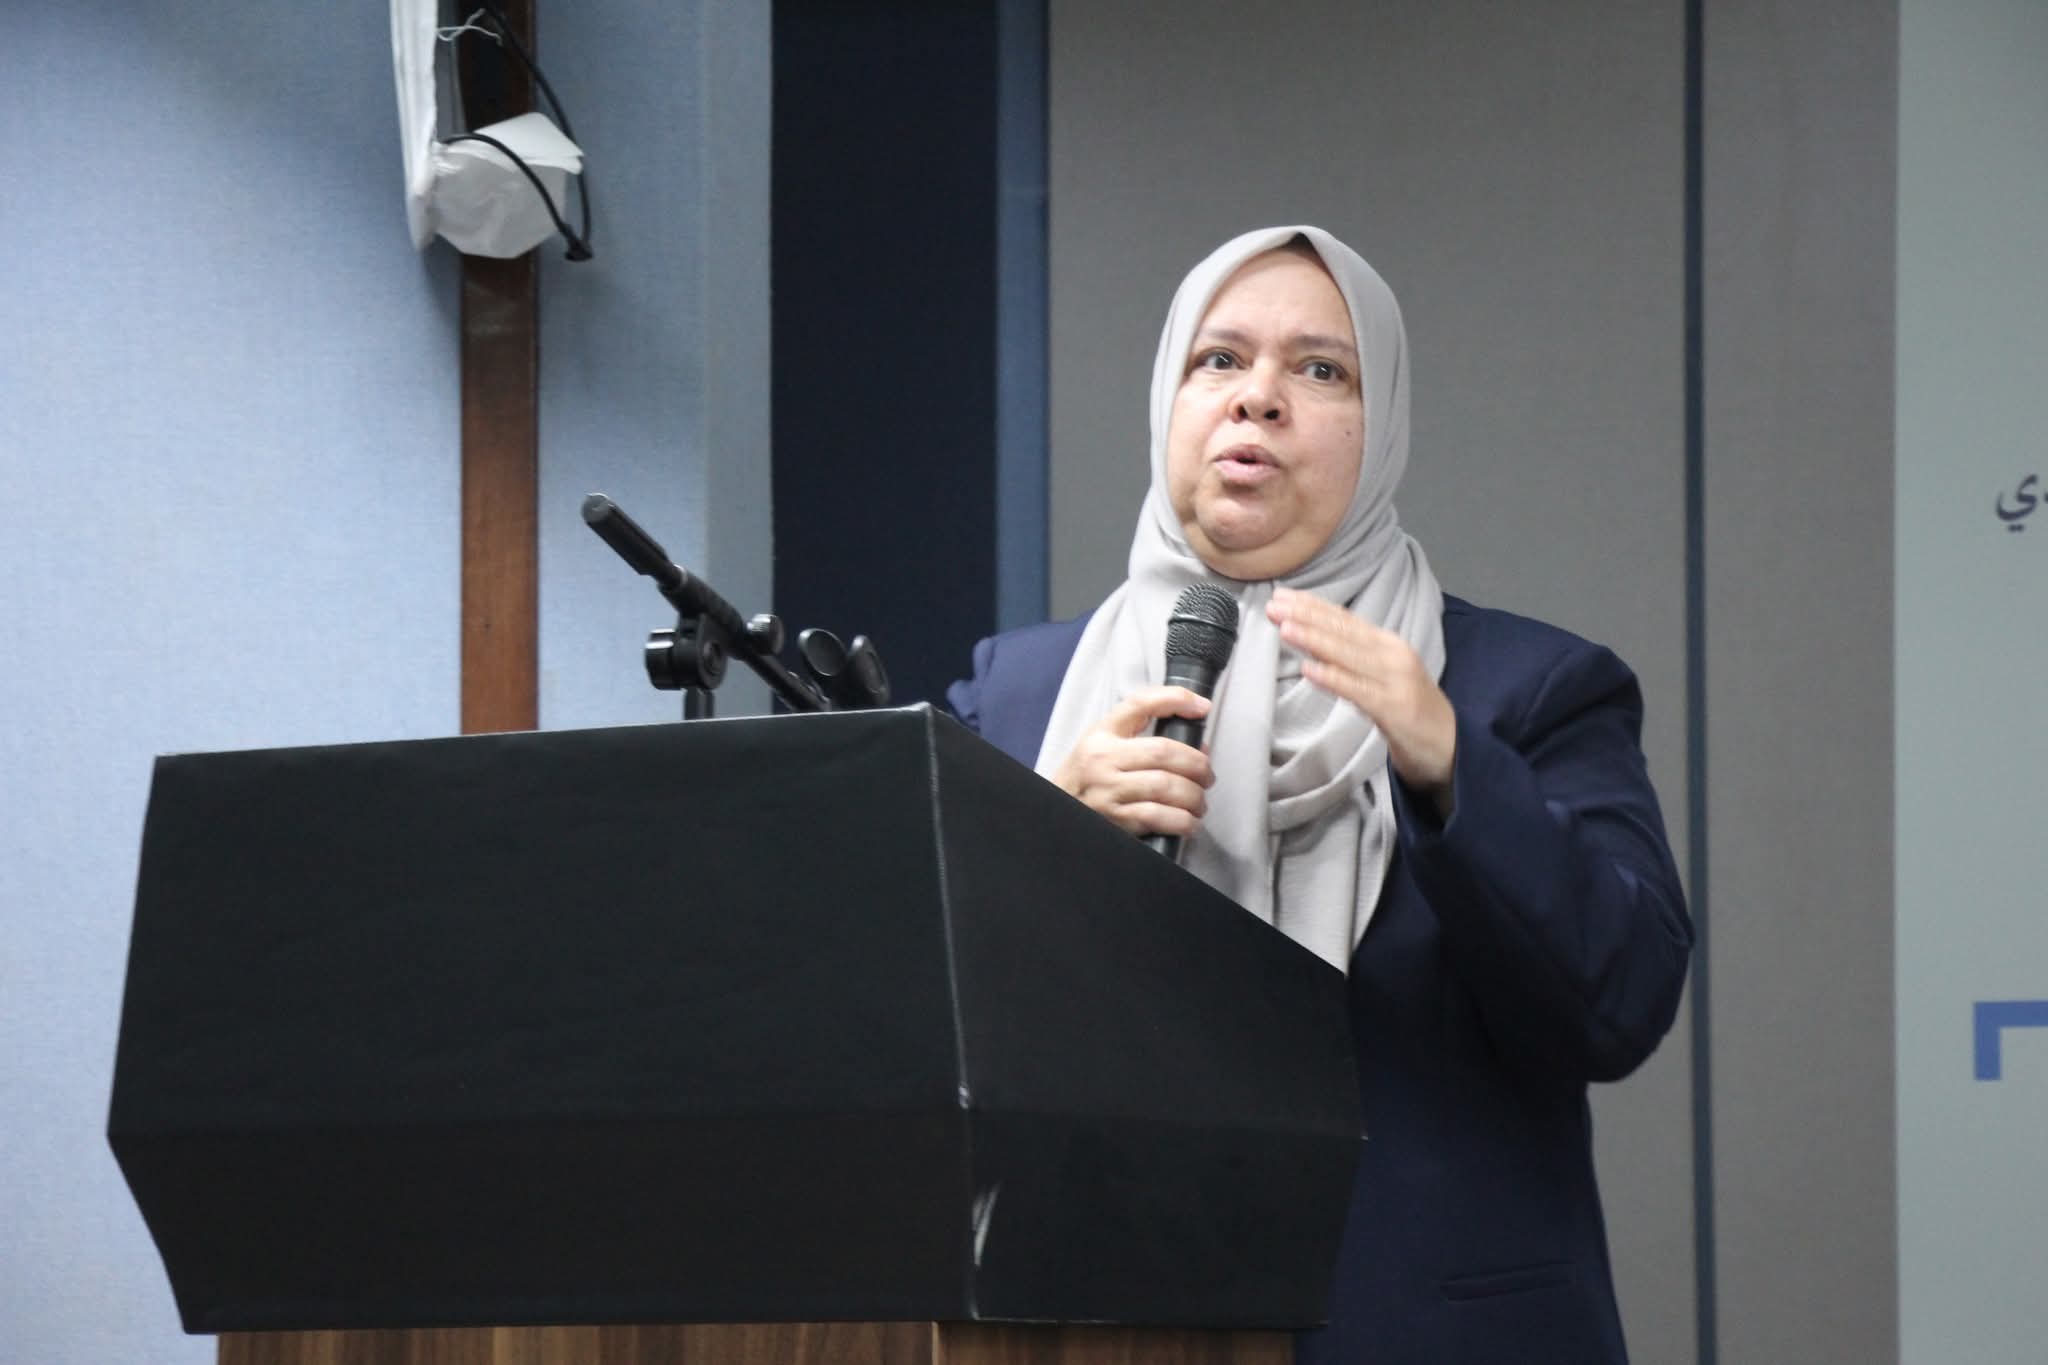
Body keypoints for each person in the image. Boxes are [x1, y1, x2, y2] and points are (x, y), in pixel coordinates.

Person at [946, 226, 1693, 1363]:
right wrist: (1039, 833)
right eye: (1218, 359)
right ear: (1168, 400)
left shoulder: (1521, 688)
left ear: (1379, 426)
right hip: (1100, 1322)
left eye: (1319, 369)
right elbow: (911, 1033)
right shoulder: (1021, 695)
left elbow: (1621, 1003)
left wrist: (1452, 769)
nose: (1256, 398)